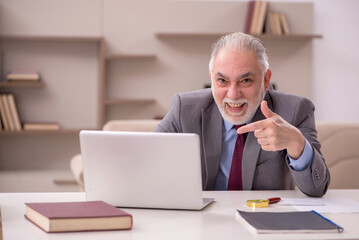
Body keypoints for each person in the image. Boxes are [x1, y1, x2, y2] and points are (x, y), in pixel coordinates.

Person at [155, 32, 330, 197]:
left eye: (246, 81)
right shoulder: (184, 109)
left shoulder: (295, 110)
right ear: (212, 79)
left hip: (265, 221)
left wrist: (296, 143)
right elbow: (147, 161)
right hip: (203, 222)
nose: (233, 94)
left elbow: (317, 189)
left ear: (266, 80)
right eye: (222, 80)